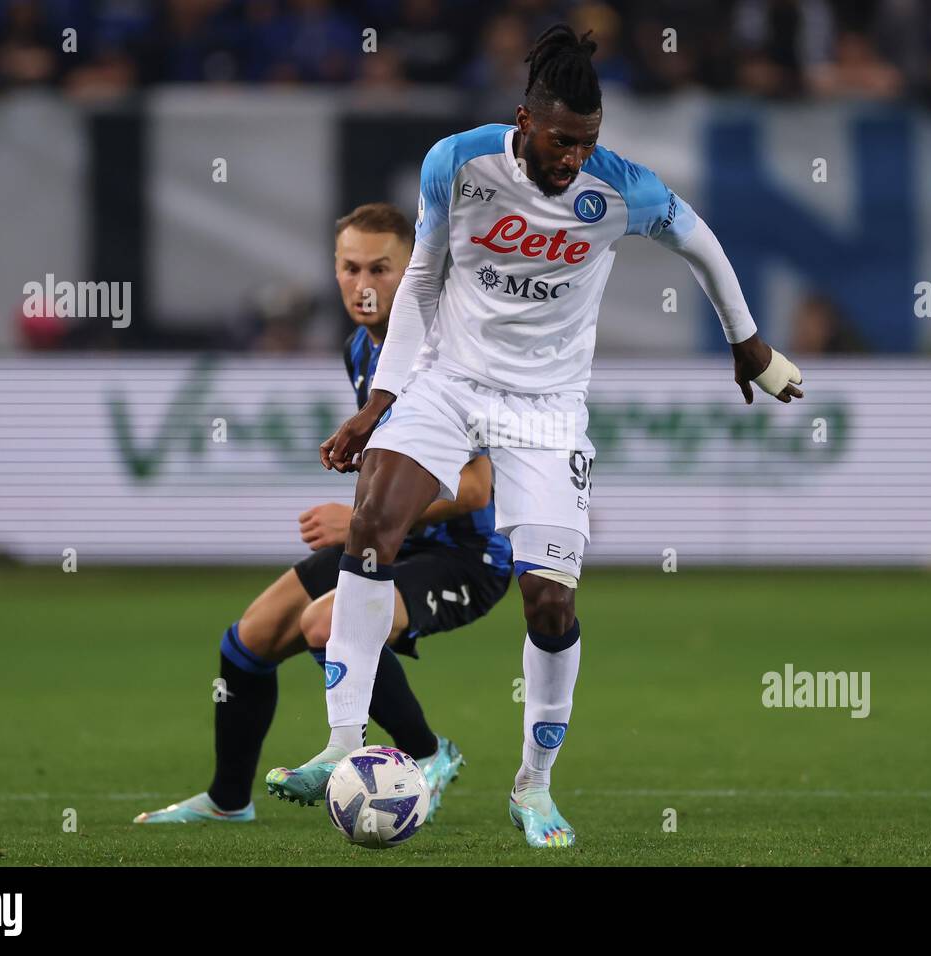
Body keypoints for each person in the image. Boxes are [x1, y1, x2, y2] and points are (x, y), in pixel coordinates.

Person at [270, 24, 804, 848]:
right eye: (561, 142)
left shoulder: (621, 189)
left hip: (549, 407)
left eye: (588, 143)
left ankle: (533, 787)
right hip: (449, 381)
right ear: (525, 120)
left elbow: (701, 243)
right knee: (373, 525)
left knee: (550, 602)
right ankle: (344, 745)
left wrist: (749, 343)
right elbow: (421, 279)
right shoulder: (457, 162)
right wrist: (381, 401)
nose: (574, 160)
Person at [134, 203, 513, 824]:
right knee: (248, 641)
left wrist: (367, 521)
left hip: (464, 557)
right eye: (349, 267)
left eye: (381, 269)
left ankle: (427, 754)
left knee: (325, 622)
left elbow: (474, 489)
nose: (362, 285)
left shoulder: (450, 353)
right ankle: (229, 802)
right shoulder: (360, 350)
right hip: (386, 542)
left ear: (415, 268)